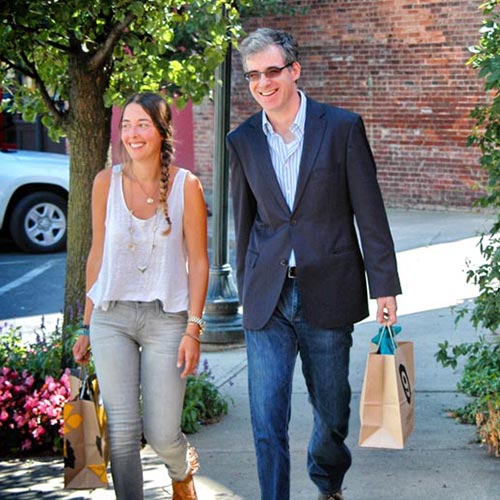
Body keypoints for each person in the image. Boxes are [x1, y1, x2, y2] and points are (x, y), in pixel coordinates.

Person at [227, 28, 402, 500]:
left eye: (272, 71)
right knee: (266, 416)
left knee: (332, 411)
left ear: (294, 70)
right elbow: (244, 224)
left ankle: (327, 485)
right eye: (253, 76)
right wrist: (246, 289)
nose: (263, 83)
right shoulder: (241, 140)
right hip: (268, 298)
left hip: (328, 289)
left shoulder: (341, 127)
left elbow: (370, 212)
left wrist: (384, 286)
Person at [72, 92, 209, 500]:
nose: (133, 134)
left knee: (163, 432)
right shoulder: (104, 183)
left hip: (167, 319)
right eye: (126, 125)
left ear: (162, 131)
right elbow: (97, 254)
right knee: (123, 430)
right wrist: (86, 322)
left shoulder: (188, 186)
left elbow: (199, 263)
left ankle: (181, 469)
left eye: (143, 124)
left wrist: (193, 329)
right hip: (111, 316)